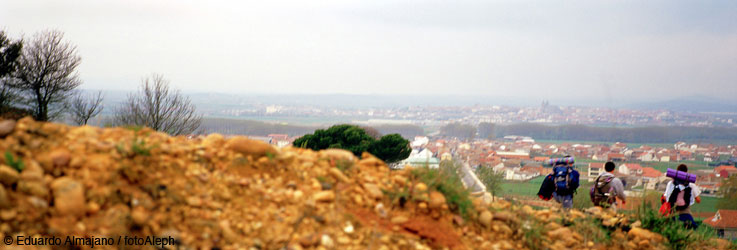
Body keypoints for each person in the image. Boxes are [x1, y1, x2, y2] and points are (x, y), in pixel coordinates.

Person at [662, 164, 701, 228]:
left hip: (673, 212)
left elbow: (666, 197)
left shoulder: (671, 183)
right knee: (692, 227)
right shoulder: (691, 184)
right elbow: (698, 200)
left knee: (671, 228)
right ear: (686, 172)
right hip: (685, 211)